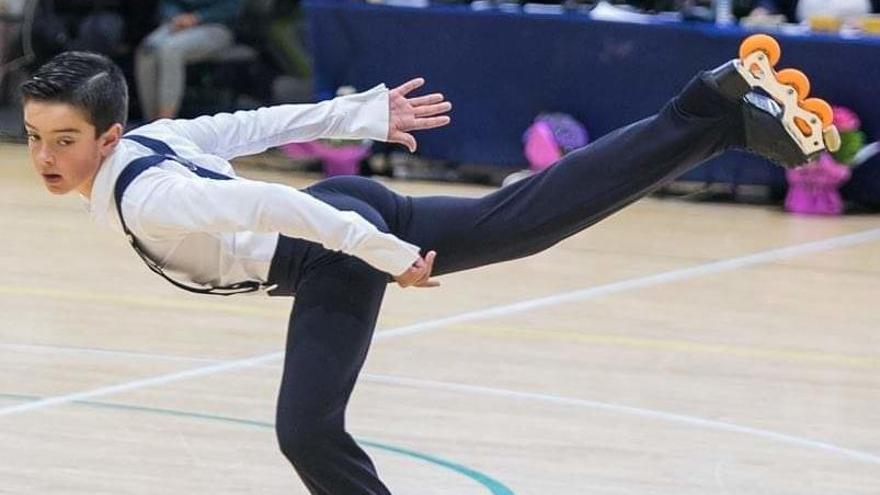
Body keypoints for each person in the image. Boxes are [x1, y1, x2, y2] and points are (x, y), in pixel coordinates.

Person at [20, 43, 834, 494]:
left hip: (332, 244)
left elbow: (280, 210)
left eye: (64, 140)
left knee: (307, 431)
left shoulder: (148, 195)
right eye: (33, 137)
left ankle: (710, 119)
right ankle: (710, 116)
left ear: (109, 135)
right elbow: (251, 123)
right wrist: (360, 114)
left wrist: (386, 255)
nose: (45, 158)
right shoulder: (156, 142)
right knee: (530, 219)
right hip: (349, 204)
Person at [135, 0, 241, 121]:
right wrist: (176, 17)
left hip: (216, 25)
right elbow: (167, 4)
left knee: (171, 49)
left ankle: (164, 122)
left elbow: (231, 8)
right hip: (177, 23)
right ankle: (151, 122)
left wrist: (197, 18)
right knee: (147, 50)